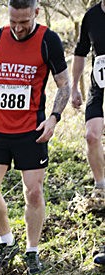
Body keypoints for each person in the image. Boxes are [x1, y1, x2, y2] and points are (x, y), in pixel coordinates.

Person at [0, 0, 69, 275]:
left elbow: (64, 85)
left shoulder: (48, 40)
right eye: (13, 21)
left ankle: (32, 250)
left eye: (24, 22)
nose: (18, 28)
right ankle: (7, 241)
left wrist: (53, 118)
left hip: (31, 130)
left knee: (34, 191)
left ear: (36, 13)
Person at [71, 1, 105, 209]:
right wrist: (74, 87)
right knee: (92, 135)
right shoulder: (91, 16)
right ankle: (101, 188)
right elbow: (80, 52)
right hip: (98, 87)